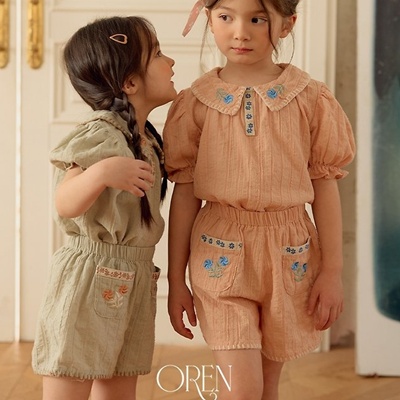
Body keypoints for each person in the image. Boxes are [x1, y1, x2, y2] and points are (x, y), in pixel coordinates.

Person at [163, 1, 355, 399]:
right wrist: (175, 279)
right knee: (243, 390)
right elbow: (184, 192)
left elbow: (325, 184)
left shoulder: (310, 99)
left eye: (258, 19)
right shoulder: (196, 102)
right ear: (209, 19)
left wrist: (332, 271)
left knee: (267, 387)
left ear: (287, 24)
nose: (240, 32)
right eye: (226, 17)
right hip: (218, 249)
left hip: (290, 254)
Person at [31, 16, 176, 400]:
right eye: (158, 54)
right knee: (70, 376)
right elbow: (64, 202)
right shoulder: (102, 132)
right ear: (130, 83)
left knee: (120, 381)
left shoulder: (146, 138)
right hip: (90, 279)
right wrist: (101, 173)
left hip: (134, 275)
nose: (171, 62)